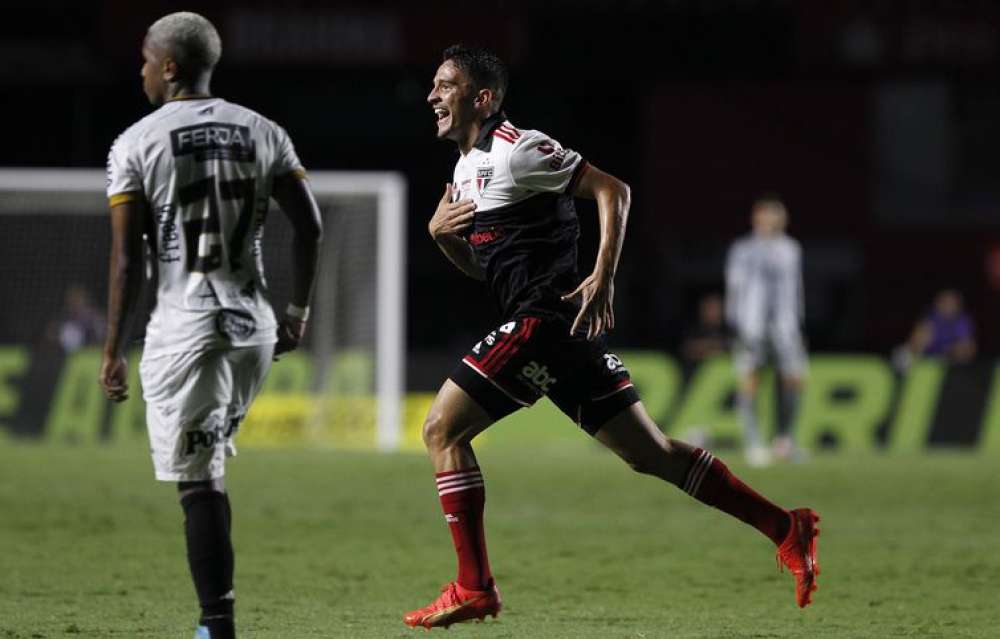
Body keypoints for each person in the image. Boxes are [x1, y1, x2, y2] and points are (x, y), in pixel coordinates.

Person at [403, 46, 820, 630]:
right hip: (561, 333)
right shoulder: (464, 171)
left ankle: (474, 587)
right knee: (651, 453)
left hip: (542, 323)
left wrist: (602, 277)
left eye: (445, 85)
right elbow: (488, 269)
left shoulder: (519, 148)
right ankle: (786, 527)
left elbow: (613, 190)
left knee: (441, 430)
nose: (432, 96)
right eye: (433, 85)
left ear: (483, 98)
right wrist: (442, 237)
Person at [98, 12, 322, 639]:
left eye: (146, 57)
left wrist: (111, 348)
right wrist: (297, 314)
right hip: (253, 328)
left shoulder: (136, 142)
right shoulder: (264, 130)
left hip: (187, 330)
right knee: (208, 465)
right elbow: (311, 227)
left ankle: (215, 625)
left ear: (170, 66)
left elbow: (127, 258)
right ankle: (214, 621)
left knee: (198, 480)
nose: (140, 68)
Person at [725, 195, 807, 465]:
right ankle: (753, 443)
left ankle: (785, 440)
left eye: (778, 214)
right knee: (751, 381)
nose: (776, 219)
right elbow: (734, 287)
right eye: (770, 214)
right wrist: (734, 322)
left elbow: (795, 289)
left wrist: (798, 322)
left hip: (785, 326)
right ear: (758, 217)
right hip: (752, 326)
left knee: (794, 379)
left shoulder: (791, 249)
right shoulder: (744, 249)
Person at [904, 289, 976, 365]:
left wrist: (954, 350)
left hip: (949, 358)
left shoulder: (962, 321)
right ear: (938, 303)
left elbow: (969, 347)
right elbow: (915, 341)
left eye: (953, 302)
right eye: (946, 302)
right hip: (926, 357)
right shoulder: (930, 318)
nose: (949, 306)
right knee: (921, 336)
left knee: (967, 347)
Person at [680, 292, 731, 364]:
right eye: (709, 307)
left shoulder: (728, 329)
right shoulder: (695, 330)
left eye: (716, 308)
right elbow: (688, 350)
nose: (713, 312)